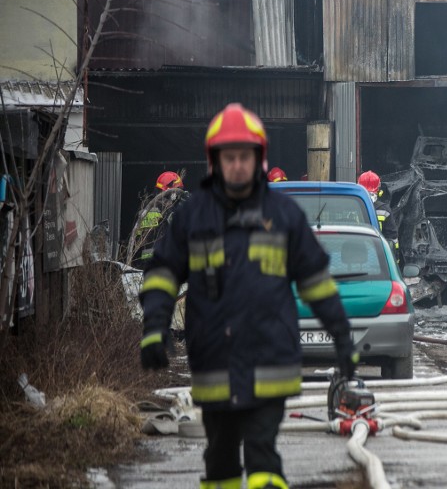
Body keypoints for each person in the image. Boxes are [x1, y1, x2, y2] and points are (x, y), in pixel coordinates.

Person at [138, 103, 358, 489]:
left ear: (258, 158)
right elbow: (162, 274)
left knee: (263, 458)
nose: (237, 165)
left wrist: (341, 336)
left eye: (244, 156)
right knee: (220, 461)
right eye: (229, 157)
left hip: (270, 362)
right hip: (214, 364)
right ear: (215, 161)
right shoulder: (192, 217)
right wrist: (154, 327)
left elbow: (317, 283)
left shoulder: (284, 214)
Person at [132, 171, 189, 269]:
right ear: (172, 193)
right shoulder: (167, 210)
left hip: (142, 265)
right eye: (179, 190)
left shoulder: (145, 209)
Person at [357, 170, 400, 262]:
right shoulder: (384, 210)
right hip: (378, 257)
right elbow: (392, 237)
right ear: (378, 188)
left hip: (353, 255)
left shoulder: (351, 206)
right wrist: (395, 261)